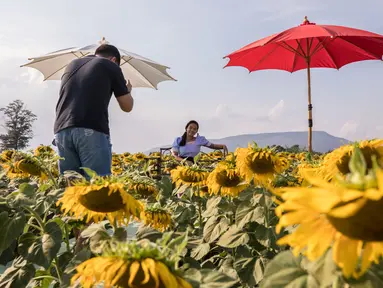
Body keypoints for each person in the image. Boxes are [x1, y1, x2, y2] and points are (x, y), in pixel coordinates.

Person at [53, 44, 134, 177]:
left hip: (61, 130)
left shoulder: (72, 65)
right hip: (90, 128)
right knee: (98, 186)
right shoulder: (110, 65)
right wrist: (128, 91)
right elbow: (127, 106)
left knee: (71, 188)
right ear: (114, 60)